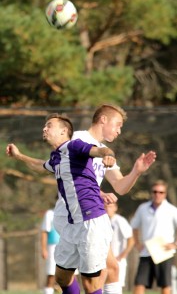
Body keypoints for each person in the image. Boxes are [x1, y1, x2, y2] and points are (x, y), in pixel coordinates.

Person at [6, 113, 117, 294]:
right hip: (73, 224)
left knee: (90, 284)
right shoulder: (57, 156)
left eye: (49, 125)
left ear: (64, 131)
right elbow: (40, 165)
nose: (44, 128)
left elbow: (99, 150)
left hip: (92, 222)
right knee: (62, 277)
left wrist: (108, 155)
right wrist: (19, 156)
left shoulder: (74, 146)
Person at [68, 104, 156, 294]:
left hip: (92, 214)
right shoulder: (78, 139)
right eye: (117, 125)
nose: (119, 131)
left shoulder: (105, 150)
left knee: (112, 269)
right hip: (77, 215)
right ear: (103, 120)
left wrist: (136, 171)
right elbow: (68, 177)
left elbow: (120, 186)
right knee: (84, 278)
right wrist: (99, 193)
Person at [131, 179, 177, 294]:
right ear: (152, 193)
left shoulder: (172, 210)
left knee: (166, 286)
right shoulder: (143, 208)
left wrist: (174, 244)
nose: (157, 194)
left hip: (164, 254)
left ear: (165, 194)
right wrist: (137, 243)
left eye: (161, 192)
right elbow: (134, 226)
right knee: (139, 284)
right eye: (155, 191)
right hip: (146, 252)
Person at [104, 202, 134, 294]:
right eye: (106, 206)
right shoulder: (103, 221)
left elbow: (131, 239)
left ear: (115, 208)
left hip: (117, 260)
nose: (108, 208)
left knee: (115, 286)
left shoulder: (119, 220)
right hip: (104, 259)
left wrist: (122, 255)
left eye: (110, 206)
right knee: (103, 287)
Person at [41, 206, 60, 294]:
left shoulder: (72, 211)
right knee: (51, 273)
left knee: (72, 275)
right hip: (53, 247)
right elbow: (44, 232)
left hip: (69, 247)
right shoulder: (50, 214)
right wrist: (44, 249)